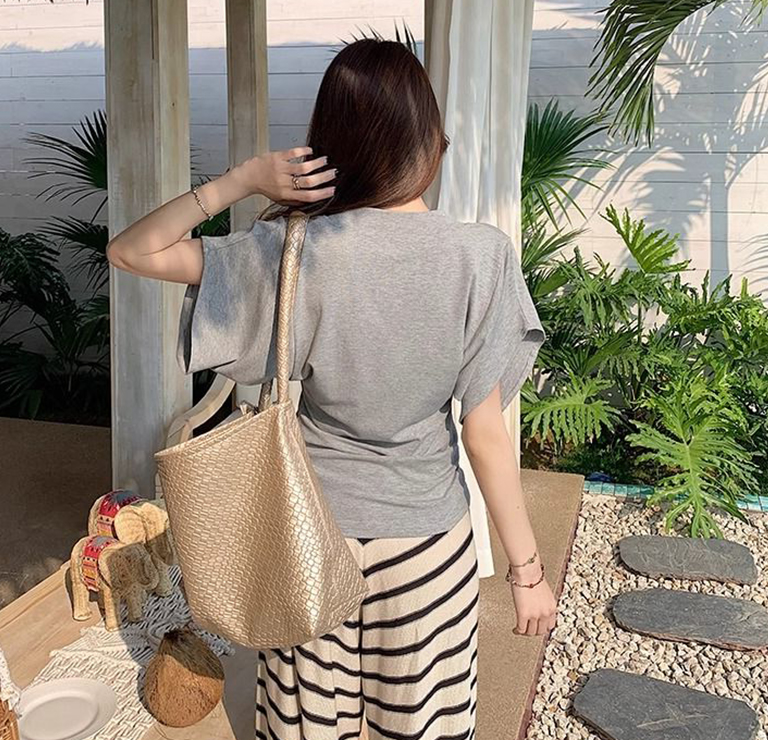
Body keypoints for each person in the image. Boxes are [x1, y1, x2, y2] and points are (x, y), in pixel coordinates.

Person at [107, 37, 556, 740]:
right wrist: (525, 572)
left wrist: (242, 180)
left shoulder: (291, 250)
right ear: (430, 141)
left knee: (309, 726)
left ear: (331, 148)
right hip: (429, 544)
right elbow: (485, 431)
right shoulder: (480, 258)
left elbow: (131, 250)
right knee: (425, 725)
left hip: (309, 536)